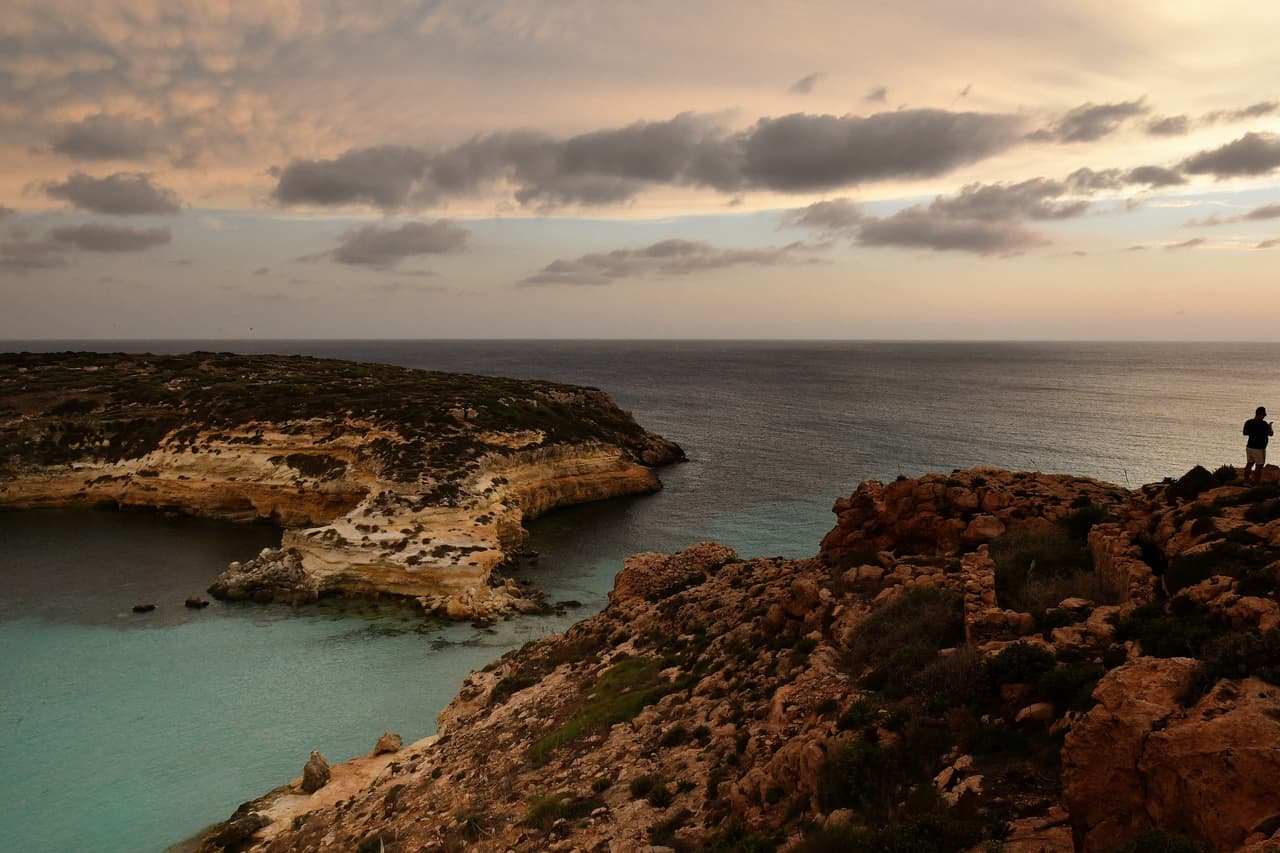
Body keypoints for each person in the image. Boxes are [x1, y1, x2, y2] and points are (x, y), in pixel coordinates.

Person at [1243, 406, 1273, 483]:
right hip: (1259, 448)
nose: (1265, 415)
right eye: (1264, 414)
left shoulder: (1248, 422)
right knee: (1259, 466)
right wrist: (1269, 427)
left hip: (1249, 446)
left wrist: (1253, 433)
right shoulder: (1263, 424)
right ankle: (1256, 484)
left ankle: (1246, 481)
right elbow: (1270, 433)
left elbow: (1245, 433)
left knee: (1249, 464)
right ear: (1261, 414)